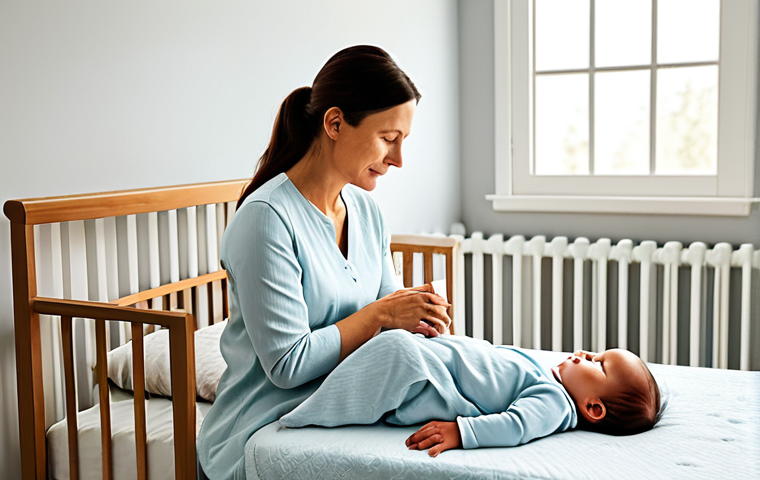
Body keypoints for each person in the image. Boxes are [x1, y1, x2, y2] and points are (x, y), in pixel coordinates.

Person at [196, 45, 452, 480]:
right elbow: (287, 365)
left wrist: (418, 318)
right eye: (388, 138)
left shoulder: (366, 211)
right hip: (261, 432)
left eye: (403, 141)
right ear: (335, 123)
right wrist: (385, 315)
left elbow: (388, 313)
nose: (398, 159)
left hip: (343, 408)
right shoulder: (265, 220)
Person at [404, 344, 662, 457]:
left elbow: (516, 426)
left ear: (593, 407)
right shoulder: (557, 386)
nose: (584, 354)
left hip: (431, 376)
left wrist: (462, 433)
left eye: (596, 362)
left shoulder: (557, 403)